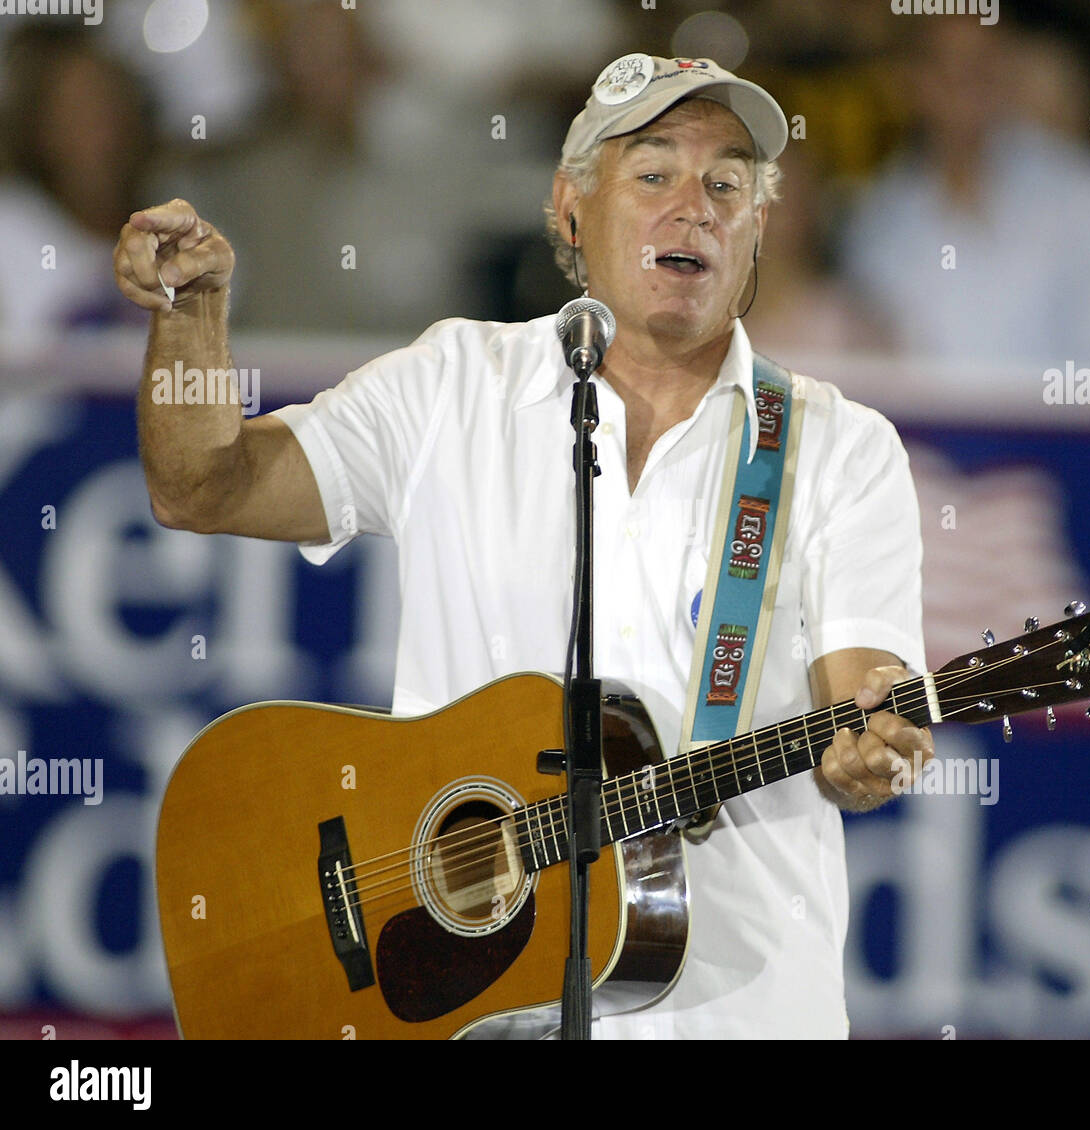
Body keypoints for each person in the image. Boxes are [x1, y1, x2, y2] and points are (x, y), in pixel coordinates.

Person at [116, 53, 933, 1039]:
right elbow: (203, 483)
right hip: (463, 1014)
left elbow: (866, 699)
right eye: (655, 172)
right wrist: (192, 318)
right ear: (569, 204)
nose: (696, 206)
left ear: (758, 227)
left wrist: (870, 752)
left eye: (727, 183)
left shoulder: (840, 446)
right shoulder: (449, 385)